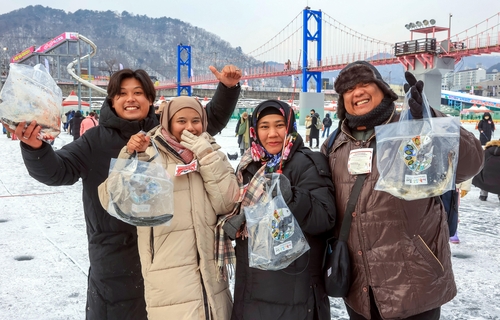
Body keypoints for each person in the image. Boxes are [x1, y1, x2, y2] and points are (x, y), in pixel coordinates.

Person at [2, 64, 241, 320]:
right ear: (112, 101)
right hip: (118, 261)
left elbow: (205, 121)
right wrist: (35, 148)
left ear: (150, 99)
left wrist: (227, 89)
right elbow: (57, 171)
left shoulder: (165, 134)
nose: (131, 99)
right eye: (122, 93)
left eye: (138, 92)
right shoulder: (94, 141)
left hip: (168, 262)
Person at [320, 60, 483, 320]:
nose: (357, 92)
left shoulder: (411, 127)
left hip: (415, 282)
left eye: (364, 84)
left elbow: (471, 163)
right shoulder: (333, 144)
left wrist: (429, 119)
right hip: (360, 288)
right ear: (343, 100)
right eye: (348, 89)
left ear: (383, 90)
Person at [98, 96, 239, 319]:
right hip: (168, 274)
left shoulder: (212, 153)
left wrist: (205, 155)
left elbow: (228, 202)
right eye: (181, 120)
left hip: (212, 278)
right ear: (168, 122)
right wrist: (133, 156)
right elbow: (112, 199)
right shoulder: (150, 151)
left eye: (196, 120)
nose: (190, 127)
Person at [221, 100, 337, 320]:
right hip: (252, 287)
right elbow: (250, 212)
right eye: (264, 126)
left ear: (290, 127)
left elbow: (325, 217)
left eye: (279, 125)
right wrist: (238, 221)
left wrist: (293, 197)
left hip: (295, 290)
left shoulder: (307, 162)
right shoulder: (249, 166)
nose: (272, 133)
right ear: (255, 130)